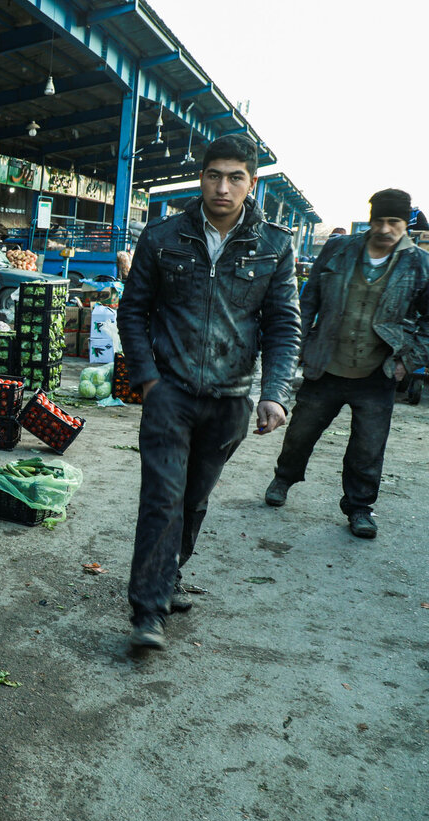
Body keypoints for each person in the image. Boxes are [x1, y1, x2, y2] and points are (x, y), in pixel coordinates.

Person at [116, 134, 301, 651]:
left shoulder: (274, 245)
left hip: (230, 398)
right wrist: (147, 378)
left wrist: (275, 392)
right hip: (170, 392)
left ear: (251, 182)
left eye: (235, 177)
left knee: (193, 500)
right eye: (214, 175)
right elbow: (133, 311)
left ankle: (167, 574)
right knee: (163, 498)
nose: (223, 187)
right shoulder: (164, 236)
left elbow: (283, 324)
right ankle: (148, 611)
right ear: (200, 178)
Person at [264, 189, 429, 539]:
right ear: (370, 220)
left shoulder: (419, 264)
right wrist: (300, 344)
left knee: (368, 447)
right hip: (325, 364)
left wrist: (407, 359)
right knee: (300, 432)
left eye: (394, 222)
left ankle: (359, 508)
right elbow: (307, 302)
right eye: (380, 221)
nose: (386, 229)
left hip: (377, 372)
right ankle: (284, 478)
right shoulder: (338, 249)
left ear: (406, 225)